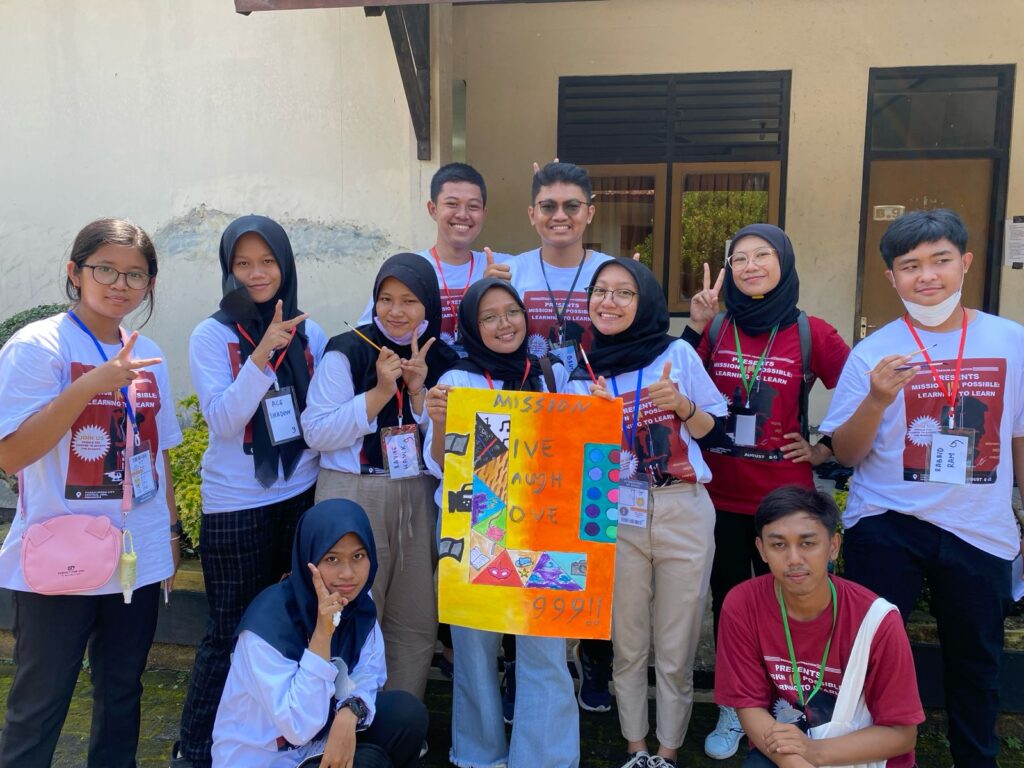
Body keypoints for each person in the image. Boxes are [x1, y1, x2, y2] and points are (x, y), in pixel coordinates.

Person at [820, 208, 1024, 767]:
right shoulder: (873, 353)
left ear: (966, 263)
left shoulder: (1010, 341)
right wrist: (877, 399)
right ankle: (865, 757)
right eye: (910, 265)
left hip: (979, 527)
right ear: (892, 277)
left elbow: (1018, 438)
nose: (927, 276)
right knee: (867, 657)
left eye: (940, 260)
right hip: (889, 522)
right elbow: (845, 454)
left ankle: (976, 759)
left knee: (977, 664)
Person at [0, 219, 181, 767]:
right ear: (75, 272)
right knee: (39, 704)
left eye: (135, 274)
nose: (120, 283)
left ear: (150, 284)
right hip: (61, 551)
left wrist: (170, 534)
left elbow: (159, 451)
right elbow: (11, 455)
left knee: (122, 693)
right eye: (105, 269)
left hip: (136, 555)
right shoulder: (38, 346)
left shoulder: (149, 353)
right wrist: (88, 386)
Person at [681, 224, 850, 760]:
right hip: (718, 496)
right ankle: (736, 705)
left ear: (784, 263)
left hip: (786, 502)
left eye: (762, 255)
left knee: (793, 601)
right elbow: (675, 382)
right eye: (740, 258)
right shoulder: (716, 327)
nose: (751, 265)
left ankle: (789, 704)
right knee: (730, 604)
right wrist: (695, 325)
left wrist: (824, 448)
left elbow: (859, 392)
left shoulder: (811, 333)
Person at [175, 215, 328, 767]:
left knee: (290, 623)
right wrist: (262, 352)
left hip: (300, 493)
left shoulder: (310, 334)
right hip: (237, 504)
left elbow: (319, 417)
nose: (257, 273)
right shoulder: (211, 335)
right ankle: (196, 749)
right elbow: (222, 419)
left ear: (285, 265)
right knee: (230, 632)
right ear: (228, 269)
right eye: (243, 264)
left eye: (267, 261)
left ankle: (270, 741)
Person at [567, 257, 728, 768]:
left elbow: (716, 431)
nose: (609, 302)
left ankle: (668, 750)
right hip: (615, 512)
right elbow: (577, 463)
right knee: (628, 643)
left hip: (683, 508)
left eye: (624, 292)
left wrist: (681, 405)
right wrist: (593, 421)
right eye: (601, 291)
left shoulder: (676, 353)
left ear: (645, 302)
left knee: (676, 646)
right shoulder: (579, 371)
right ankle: (636, 748)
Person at [423, 279, 579, 768]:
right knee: (474, 650)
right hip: (476, 525)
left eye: (511, 312)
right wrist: (441, 423)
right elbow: (439, 463)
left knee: (545, 650)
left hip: (544, 526)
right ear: (472, 326)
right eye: (488, 317)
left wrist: (591, 409)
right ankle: (478, 754)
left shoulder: (553, 375)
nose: (503, 324)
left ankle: (544, 759)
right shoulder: (458, 380)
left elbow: (578, 450)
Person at [302, 253, 460, 702]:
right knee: (351, 609)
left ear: (428, 304)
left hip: (417, 492)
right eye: (386, 299)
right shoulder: (346, 350)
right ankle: (343, 717)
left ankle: (399, 718)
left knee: (414, 618)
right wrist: (379, 393)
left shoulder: (445, 359)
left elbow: (449, 446)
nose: (395, 311)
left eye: (409, 300)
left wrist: (418, 392)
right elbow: (316, 432)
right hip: (353, 492)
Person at [506, 160, 615, 712]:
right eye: (548, 206)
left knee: (595, 549)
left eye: (572, 206)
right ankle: (517, 665)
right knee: (525, 552)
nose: (560, 216)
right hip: (530, 438)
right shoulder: (510, 272)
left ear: (590, 212)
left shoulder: (610, 271)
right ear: (532, 214)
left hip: (596, 436)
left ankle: (594, 662)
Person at [715, 486, 923, 767]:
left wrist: (814, 752)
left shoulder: (877, 619)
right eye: (778, 545)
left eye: (807, 543)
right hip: (783, 750)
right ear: (761, 550)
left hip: (862, 755)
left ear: (833, 546)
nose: (793, 559)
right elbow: (749, 706)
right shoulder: (743, 604)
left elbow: (902, 735)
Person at [211, 498, 428, 767]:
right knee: (369, 762)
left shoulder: (358, 605)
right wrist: (322, 635)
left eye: (358, 557)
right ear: (308, 560)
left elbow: (369, 673)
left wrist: (350, 712)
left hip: (319, 739)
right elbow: (298, 726)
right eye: (332, 559)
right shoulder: (266, 627)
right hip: (266, 757)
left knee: (406, 715)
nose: (348, 574)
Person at [358, 162, 512, 358]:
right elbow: (368, 335)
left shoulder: (502, 267)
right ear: (433, 209)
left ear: (484, 214)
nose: (462, 214)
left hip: (481, 377)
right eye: (452, 204)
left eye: (473, 206)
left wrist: (494, 292)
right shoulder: (407, 270)